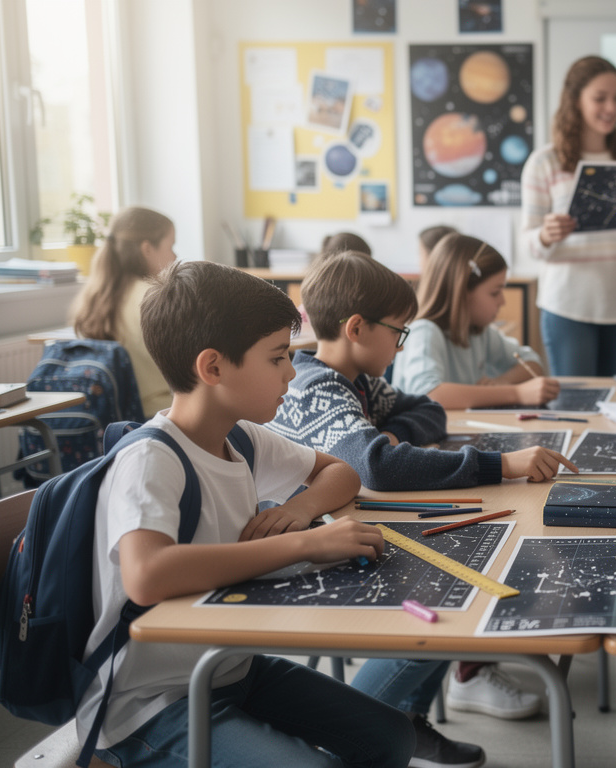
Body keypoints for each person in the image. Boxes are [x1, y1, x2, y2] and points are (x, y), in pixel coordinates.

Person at [81, 260, 432, 768]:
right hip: (149, 704)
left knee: (393, 738)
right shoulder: (152, 459)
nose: (291, 372)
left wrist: (301, 507)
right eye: (277, 358)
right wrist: (304, 542)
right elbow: (147, 575)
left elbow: (341, 473)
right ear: (213, 368)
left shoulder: (240, 437)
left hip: (227, 667)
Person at [268, 251, 578, 723]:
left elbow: (429, 410)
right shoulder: (317, 388)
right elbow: (378, 468)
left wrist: (390, 435)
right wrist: (499, 464)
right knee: (443, 606)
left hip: (347, 526)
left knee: (460, 573)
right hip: (305, 551)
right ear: (357, 329)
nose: (401, 346)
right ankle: (353, 728)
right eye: (398, 332)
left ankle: (410, 720)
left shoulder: (360, 383)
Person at [520, 55, 616, 377]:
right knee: (575, 402)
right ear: (575, 100)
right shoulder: (544, 162)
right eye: (600, 98)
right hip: (567, 306)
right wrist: (545, 235)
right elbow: (529, 244)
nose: (611, 107)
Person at [390, 234, 562, 410]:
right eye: (495, 293)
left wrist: (501, 382)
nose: (502, 301)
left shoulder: (478, 331)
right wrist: (516, 393)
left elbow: (532, 362)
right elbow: (430, 394)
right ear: (462, 293)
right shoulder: (424, 332)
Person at [71, 206, 177, 415]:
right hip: (159, 415)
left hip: (113, 416)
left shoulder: (94, 297)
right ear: (147, 249)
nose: (175, 256)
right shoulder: (155, 296)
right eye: (171, 246)